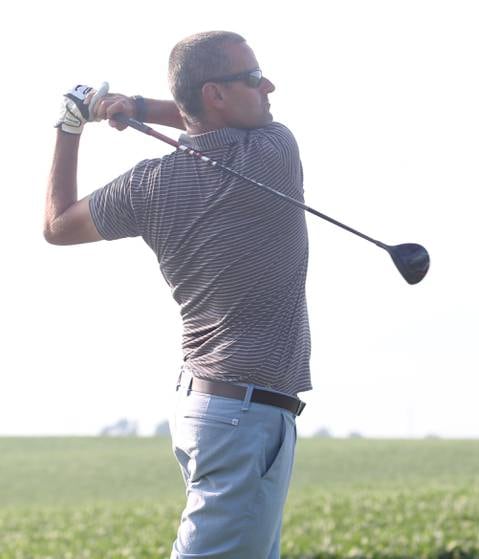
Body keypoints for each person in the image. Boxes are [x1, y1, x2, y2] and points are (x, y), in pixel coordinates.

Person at [45, 31, 311, 558]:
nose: (269, 87)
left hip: (213, 409)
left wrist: (73, 123)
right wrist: (136, 107)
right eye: (255, 79)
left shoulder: (147, 185)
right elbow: (204, 120)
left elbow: (57, 224)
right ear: (215, 93)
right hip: (243, 416)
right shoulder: (274, 149)